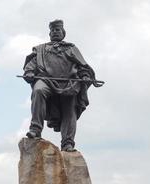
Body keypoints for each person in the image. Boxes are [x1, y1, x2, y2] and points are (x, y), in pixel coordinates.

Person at [23, 19, 96, 152]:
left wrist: (85, 75)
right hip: (46, 80)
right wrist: (29, 71)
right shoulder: (41, 49)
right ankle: (35, 129)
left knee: (70, 107)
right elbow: (31, 63)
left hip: (69, 83)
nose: (55, 32)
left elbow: (83, 66)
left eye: (58, 30)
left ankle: (68, 143)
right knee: (38, 90)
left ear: (63, 33)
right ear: (49, 33)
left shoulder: (71, 48)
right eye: (53, 30)